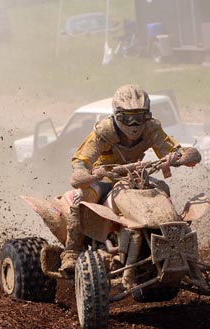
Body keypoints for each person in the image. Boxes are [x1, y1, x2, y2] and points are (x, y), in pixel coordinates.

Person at [59, 84, 199, 276]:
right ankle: (71, 252)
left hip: (137, 177)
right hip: (106, 178)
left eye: (139, 117)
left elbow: (174, 150)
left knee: (163, 189)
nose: (134, 124)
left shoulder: (151, 129)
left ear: (147, 115)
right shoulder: (104, 131)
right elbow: (81, 161)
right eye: (128, 118)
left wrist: (181, 157)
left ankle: (168, 238)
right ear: (117, 115)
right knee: (82, 197)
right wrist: (88, 174)